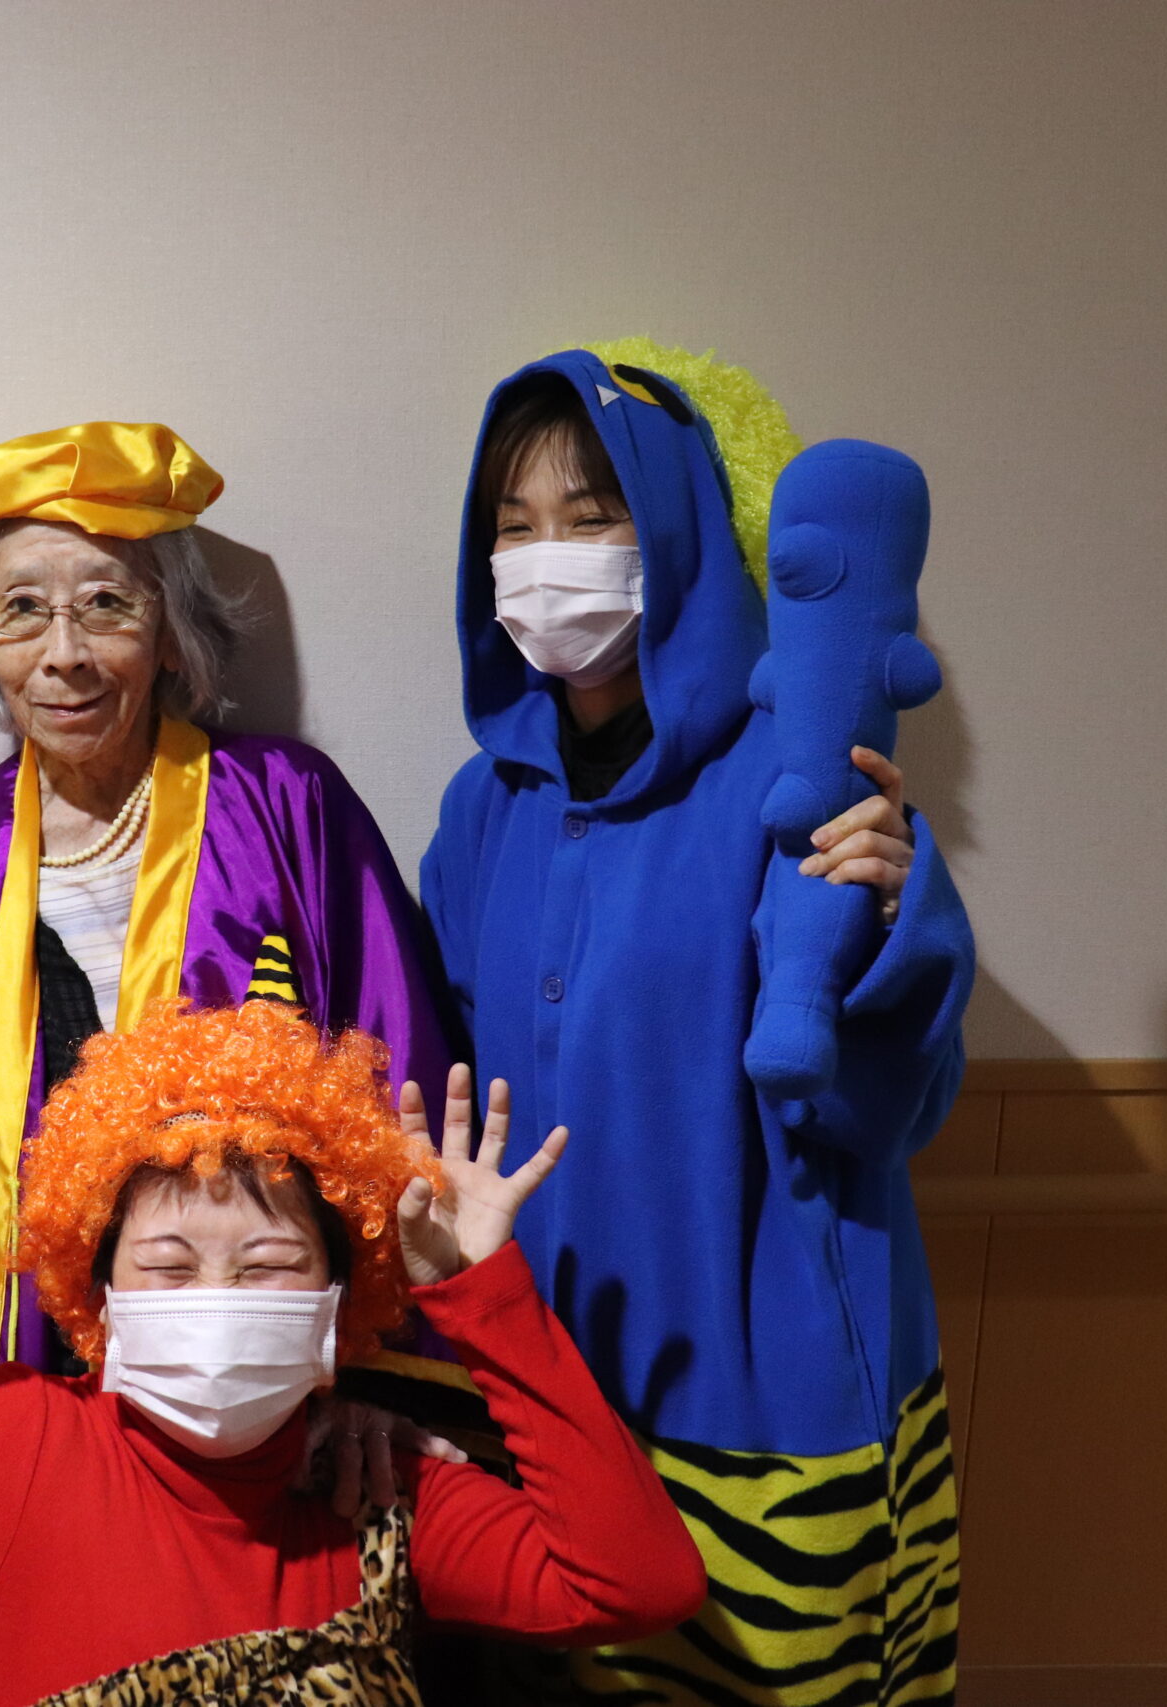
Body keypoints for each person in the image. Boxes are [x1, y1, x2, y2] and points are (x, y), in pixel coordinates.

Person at [0, 1002, 709, 1707]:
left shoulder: (375, 1492)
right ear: (98, 1294)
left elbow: (639, 1583)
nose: (217, 1297)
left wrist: (481, 1295)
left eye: (268, 1265)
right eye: (168, 1264)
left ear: (337, 1300)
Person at [418, 340, 976, 1705]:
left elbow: (884, 1108)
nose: (546, 560)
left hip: (768, 1402)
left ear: (672, 532)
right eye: (513, 527)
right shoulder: (485, 806)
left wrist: (885, 911)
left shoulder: (795, 781)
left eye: (590, 517)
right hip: (550, 1395)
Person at [0, 422, 455, 1380]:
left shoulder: (290, 806)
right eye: (22, 609)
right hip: (30, 1358)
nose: (64, 653)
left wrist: (374, 1375)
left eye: (108, 604)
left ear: (171, 635)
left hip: (257, 1343)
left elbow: (403, 1087)